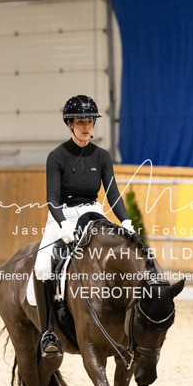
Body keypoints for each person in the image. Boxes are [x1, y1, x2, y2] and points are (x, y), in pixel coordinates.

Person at [31, 94, 134, 356]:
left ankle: (127, 323)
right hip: (63, 215)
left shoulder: (102, 156)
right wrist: (62, 225)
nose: (86, 127)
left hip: (93, 213)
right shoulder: (57, 156)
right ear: (70, 123)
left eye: (89, 121)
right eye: (80, 121)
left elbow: (112, 193)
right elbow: (52, 199)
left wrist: (126, 221)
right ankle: (48, 332)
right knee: (42, 266)